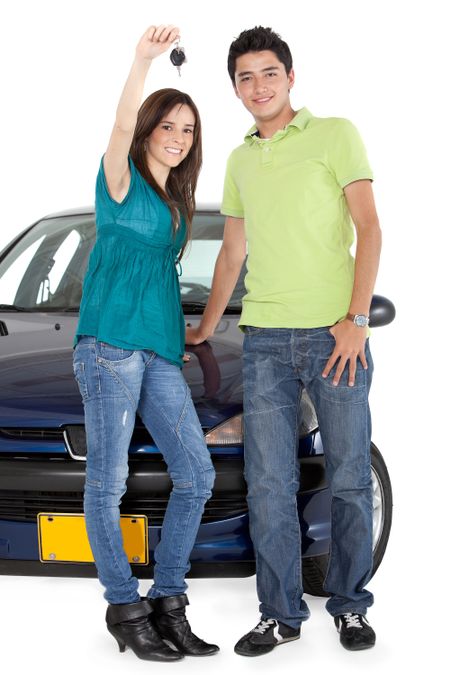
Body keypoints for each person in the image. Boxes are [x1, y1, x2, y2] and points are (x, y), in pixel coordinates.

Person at [186, 26, 382, 655]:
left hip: (335, 339)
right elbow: (231, 255)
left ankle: (350, 606)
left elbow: (370, 228)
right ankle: (280, 613)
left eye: (269, 73)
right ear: (235, 89)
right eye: (245, 77)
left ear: (290, 77)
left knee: (350, 476)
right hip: (265, 340)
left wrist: (357, 318)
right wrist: (207, 327)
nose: (258, 86)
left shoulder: (335, 134)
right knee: (269, 482)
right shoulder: (242, 158)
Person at [73, 24, 219, 662]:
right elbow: (120, 119)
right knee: (107, 483)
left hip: (159, 350)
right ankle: (123, 606)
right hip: (108, 346)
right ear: (149, 129)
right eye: (169, 126)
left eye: (188, 130)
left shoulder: (176, 201)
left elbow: (161, 277)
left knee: (197, 472)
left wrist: (187, 332)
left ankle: (169, 600)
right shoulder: (120, 178)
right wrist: (142, 60)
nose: (179, 138)